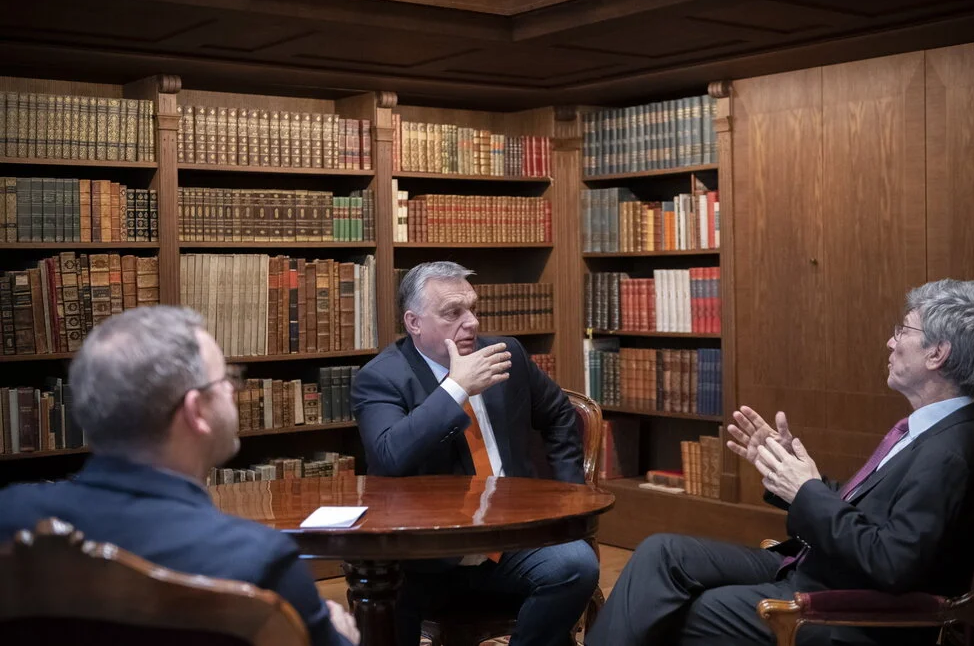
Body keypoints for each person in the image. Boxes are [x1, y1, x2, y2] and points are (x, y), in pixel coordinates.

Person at [586, 278, 974, 646]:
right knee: (663, 553)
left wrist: (806, 490)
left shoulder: (952, 452)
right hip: (814, 567)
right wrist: (784, 471)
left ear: (937, 353)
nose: (891, 341)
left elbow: (891, 563)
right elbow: (865, 514)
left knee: (689, 610)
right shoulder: (928, 431)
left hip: (843, 608)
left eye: (903, 330)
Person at [0, 306, 360, 646]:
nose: (233, 390)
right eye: (226, 379)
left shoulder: (9, 516)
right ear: (196, 410)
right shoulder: (260, 561)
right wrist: (343, 635)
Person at [351, 261, 599, 646]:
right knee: (381, 593)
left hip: (510, 540)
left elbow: (560, 416)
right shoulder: (381, 377)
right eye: (453, 313)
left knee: (577, 565)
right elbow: (389, 455)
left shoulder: (505, 354)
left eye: (472, 308)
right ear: (414, 322)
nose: (471, 322)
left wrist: (571, 498)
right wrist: (456, 389)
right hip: (426, 555)